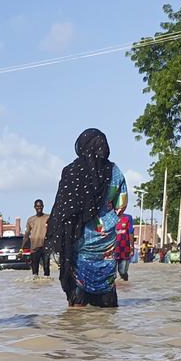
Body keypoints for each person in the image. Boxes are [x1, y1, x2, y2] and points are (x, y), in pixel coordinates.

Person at [45, 128, 128, 308]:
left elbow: (62, 209)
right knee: (106, 299)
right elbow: (121, 205)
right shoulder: (115, 171)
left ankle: (78, 331)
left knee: (77, 309)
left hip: (78, 242)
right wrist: (106, 219)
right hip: (107, 243)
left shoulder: (72, 171)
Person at [24, 199, 51, 277]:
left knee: (46, 268)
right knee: (35, 271)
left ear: (43, 206)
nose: (39, 208)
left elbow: (53, 230)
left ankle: (47, 286)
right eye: (37, 206)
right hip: (34, 247)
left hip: (46, 247)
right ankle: (35, 286)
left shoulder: (48, 217)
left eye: (40, 206)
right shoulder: (30, 219)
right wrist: (22, 248)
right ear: (34, 207)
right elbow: (26, 235)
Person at [114, 211, 134, 281]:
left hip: (125, 248)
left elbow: (131, 232)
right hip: (112, 249)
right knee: (111, 273)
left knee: (122, 271)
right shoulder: (109, 218)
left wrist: (132, 247)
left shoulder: (128, 218)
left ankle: (125, 282)